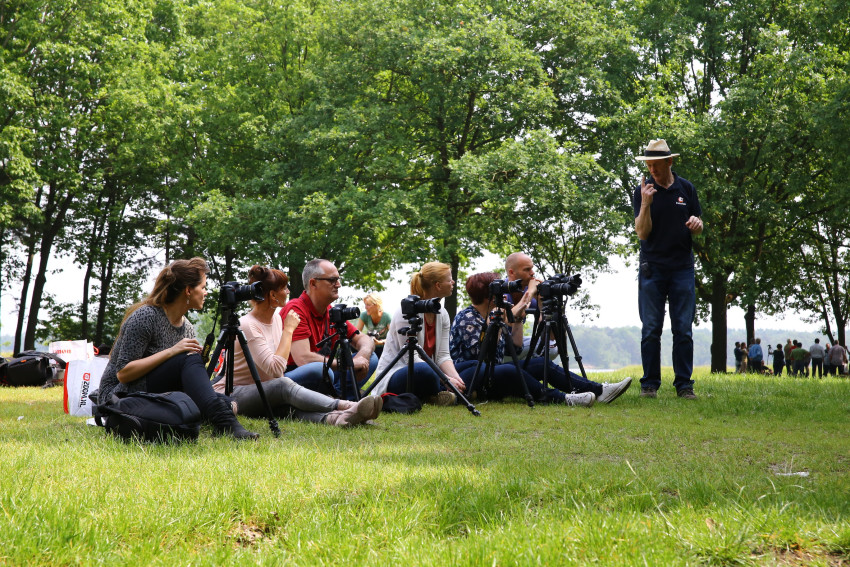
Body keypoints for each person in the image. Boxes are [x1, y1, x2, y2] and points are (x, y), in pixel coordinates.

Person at [97, 257, 259, 440]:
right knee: (203, 384)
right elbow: (123, 373)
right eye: (203, 287)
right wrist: (172, 352)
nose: (206, 293)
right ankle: (225, 422)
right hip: (119, 394)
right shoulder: (146, 316)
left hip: (155, 389)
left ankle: (221, 413)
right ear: (188, 290)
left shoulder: (187, 327)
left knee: (224, 401)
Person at [215, 266, 382, 427]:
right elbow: (276, 370)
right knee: (283, 385)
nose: (288, 291)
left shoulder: (276, 320)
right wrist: (288, 330)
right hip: (234, 394)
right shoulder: (248, 324)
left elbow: (276, 373)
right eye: (284, 288)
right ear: (273, 295)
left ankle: (339, 419)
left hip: (264, 390)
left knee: (287, 408)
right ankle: (347, 406)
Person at [450, 272, 630, 406]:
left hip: (493, 373)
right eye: (502, 290)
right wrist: (527, 295)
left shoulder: (494, 314)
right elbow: (481, 356)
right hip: (472, 378)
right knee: (509, 371)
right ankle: (563, 399)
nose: (506, 293)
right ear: (488, 295)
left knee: (538, 363)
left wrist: (518, 318)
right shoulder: (468, 318)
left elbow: (517, 348)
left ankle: (599, 391)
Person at [633, 139, 703, 399]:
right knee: (651, 328)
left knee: (683, 329)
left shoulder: (687, 189)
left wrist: (697, 224)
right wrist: (646, 203)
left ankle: (684, 386)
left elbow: (698, 221)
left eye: (656, 165)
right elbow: (642, 232)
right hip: (652, 268)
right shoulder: (643, 190)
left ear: (669, 162)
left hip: (682, 268)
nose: (652, 170)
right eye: (648, 165)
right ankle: (649, 384)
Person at [370, 262, 466, 405]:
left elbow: (443, 356)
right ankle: (440, 393)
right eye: (449, 279)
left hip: (432, 372)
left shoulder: (443, 313)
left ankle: (446, 392)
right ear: (438, 285)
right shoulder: (407, 312)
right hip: (401, 373)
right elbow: (412, 359)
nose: (453, 282)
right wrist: (446, 379)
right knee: (424, 370)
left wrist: (456, 379)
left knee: (473, 366)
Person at [280, 259, 377, 399]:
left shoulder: (330, 312)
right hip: (295, 375)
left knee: (371, 357)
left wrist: (362, 358)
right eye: (332, 280)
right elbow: (303, 359)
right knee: (319, 369)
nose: (338, 285)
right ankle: (335, 400)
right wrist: (349, 364)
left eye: (338, 279)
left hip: (324, 373)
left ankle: (338, 399)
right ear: (313, 283)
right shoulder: (295, 309)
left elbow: (364, 339)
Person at [355, 293, 392, 358]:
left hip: (384, 347)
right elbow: (356, 334)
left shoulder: (387, 316)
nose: (365, 307)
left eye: (368, 305)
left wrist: (380, 342)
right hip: (371, 347)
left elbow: (394, 337)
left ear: (377, 305)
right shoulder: (364, 315)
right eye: (365, 304)